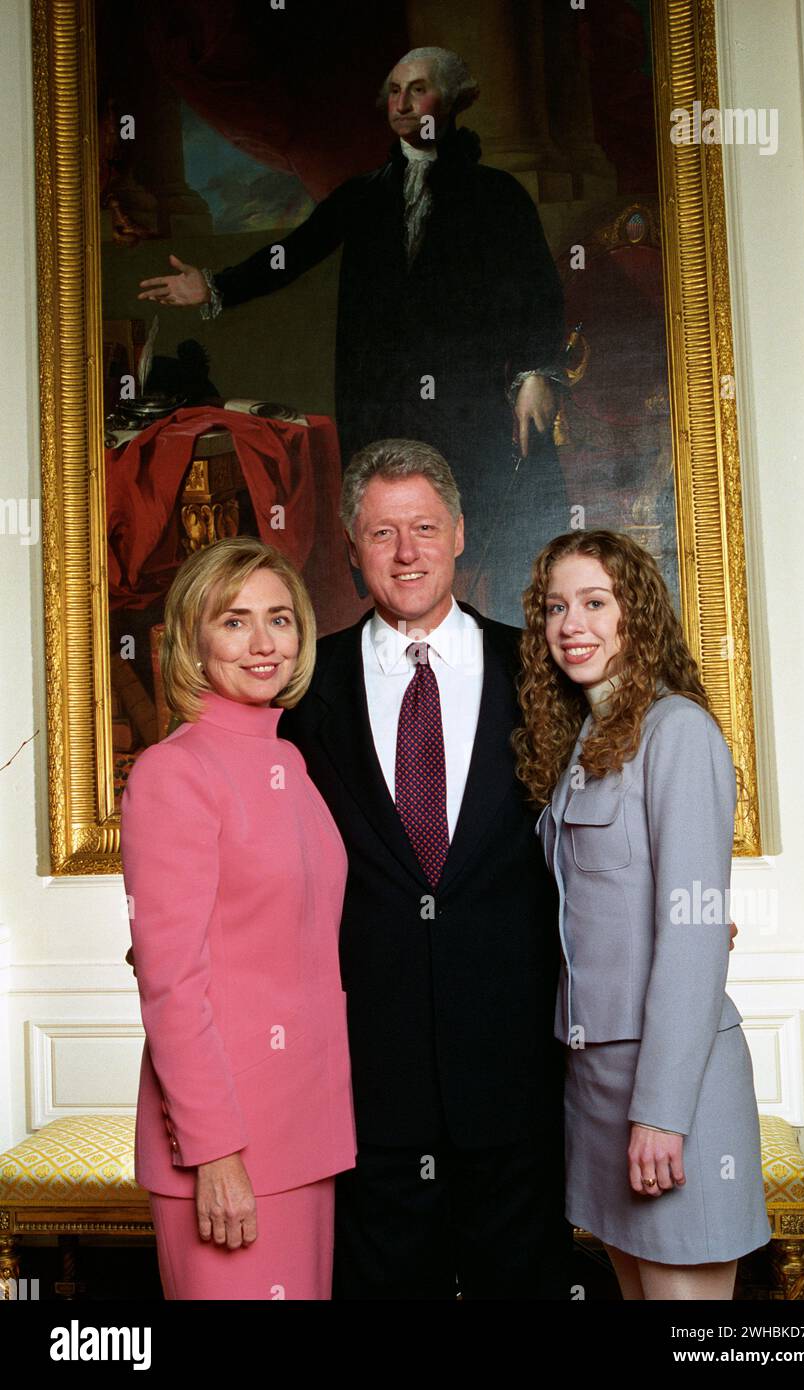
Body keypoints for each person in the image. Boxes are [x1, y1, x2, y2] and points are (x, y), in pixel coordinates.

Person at [277, 438, 572, 1299]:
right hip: (367, 1085)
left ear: (460, 533)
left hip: (515, 1078)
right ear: (350, 545)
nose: (405, 554)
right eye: (381, 534)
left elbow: (608, 823)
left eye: (423, 529)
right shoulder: (301, 690)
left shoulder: (542, 670)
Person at [137, 46, 567, 624]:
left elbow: (538, 292)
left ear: (458, 99)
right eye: (394, 90)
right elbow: (292, 254)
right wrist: (213, 286)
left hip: (469, 399)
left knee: (476, 536)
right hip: (383, 397)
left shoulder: (498, 195)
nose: (404, 103)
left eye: (419, 89)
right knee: (393, 533)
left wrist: (536, 372)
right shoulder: (364, 193)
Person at [514, 529, 770, 1300]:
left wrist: (661, 1112)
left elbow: (694, 934)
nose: (572, 625)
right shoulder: (585, 739)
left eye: (596, 603)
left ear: (639, 615)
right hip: (595, 1079)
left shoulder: (678, 731)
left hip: (669, 1086)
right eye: (557, 607)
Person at [120, 537, 356, 1300]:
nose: (263, 643)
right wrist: (214, 1153)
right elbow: (171, 986)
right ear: (193, 638)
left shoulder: (292, 765)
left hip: (308, 1138)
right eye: (235, 621)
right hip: (229, 1149)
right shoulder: (174, 772)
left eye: (280, 619)